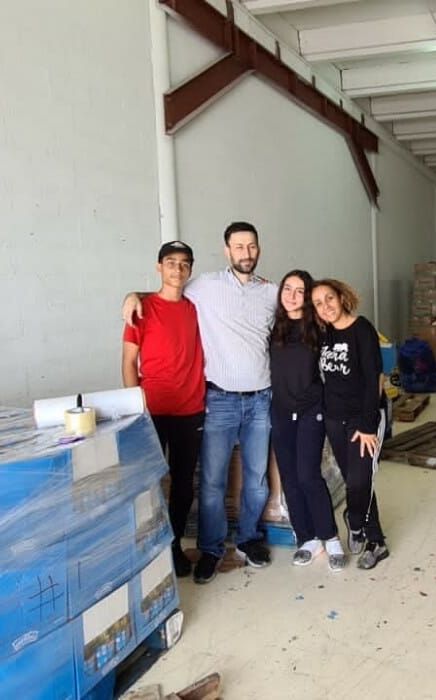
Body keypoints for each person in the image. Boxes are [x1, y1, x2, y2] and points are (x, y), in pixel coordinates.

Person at [124, 222, 278, 584]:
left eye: (251, 246)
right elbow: (167, 291)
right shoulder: (205, 286)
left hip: (260, 400)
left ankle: (248, 539)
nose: (246, 253)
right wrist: (133, 294)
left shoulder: (271, 292)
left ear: (258, 249)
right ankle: (210, 549)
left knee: (255, 480)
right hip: (220, 399)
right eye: (238, 247)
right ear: (227, 251)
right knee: (211, 482)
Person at [121, 241, 206, 578]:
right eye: (171, 263)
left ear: (190, 270)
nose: (178, 270)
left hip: (191, 409)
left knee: (183, 483)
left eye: (184, 264)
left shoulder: (196, 307)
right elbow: (128, 361)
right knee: (150, 482)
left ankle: (173, 544)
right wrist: (135, 407)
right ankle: (150, 547)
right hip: (152, 411)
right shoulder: (141, 309)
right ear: (159, 267)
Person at [269, 270, 345, 571]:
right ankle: (307, 539)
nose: (291, 295)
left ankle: (331, 537)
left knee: (308, 475)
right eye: (287, 288)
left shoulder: (319, 327)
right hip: (280, 411)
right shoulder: (274, 325)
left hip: (310, 410)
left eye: (299, 291)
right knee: (289, 478)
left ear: (308, 296)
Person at [312, 278, 390, 570]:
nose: (326, 307)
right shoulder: (323, 334)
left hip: (363, 419)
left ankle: (354, 520)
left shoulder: (362, 329)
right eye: (318, 303)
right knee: (355, 482)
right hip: (335, 419)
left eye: (329, 299)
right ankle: (376, 541)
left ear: (341, 297)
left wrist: (368, 424)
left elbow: (374, 379)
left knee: (360, 481)